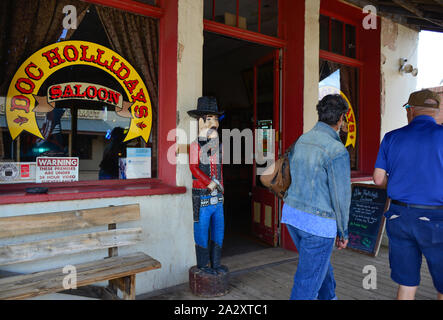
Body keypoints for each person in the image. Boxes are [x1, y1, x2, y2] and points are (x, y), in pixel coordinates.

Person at [373, 89, 443, 300]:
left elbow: (377, 179)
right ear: (436, 111)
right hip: (436, 219)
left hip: (399, 216)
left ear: (410, 110)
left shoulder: (392, 137)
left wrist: (395, 182)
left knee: (407, 284)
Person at [282, 94, 351, 300]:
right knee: (308, 281)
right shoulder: (336, 150)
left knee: (319, 265)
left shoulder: (302, 139)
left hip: (292, 216)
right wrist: (343, 231)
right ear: (340, 118)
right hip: (318, 223)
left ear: (320, 114)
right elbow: (341, 197)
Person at [188, 96, 228, 275]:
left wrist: (222, 188)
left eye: (216, 119)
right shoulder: (195, 145)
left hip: (218, 197)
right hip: (202, 195)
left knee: (219, 230)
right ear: (201, 121)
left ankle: (216, 263)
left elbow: (220, 169)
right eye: (210, 119)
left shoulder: (217, 145)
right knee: (202, 230)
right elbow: (193, 168)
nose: (215, 123)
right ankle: (203, 266)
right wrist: (208, 182)